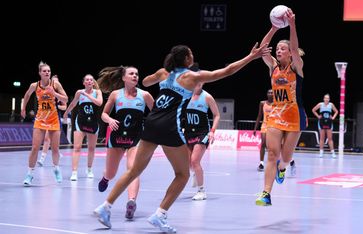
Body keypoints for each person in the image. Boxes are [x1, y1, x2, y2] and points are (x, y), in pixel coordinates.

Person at [93, 43, 270, 232]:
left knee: (133, 171)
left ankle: (105, 207)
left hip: (151, 123)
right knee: (183, 174)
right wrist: (251, 57)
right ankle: (160, 215)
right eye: (191, 54)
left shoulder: (163, 73)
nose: (192, 56)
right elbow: (227, 71)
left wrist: (160, 77)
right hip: (169, 127)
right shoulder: (191, 77)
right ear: (187, 59)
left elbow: (145, 82)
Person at [255, 7, 307, 206]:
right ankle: (266, 193)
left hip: (296, 115)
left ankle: (282, 168)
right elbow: (263, 48)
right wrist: (274, 27)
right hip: (276, 115)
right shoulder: (273, 66)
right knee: (272, 154)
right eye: (278, 48)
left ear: (290, 53)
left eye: (282, 48)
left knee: (285, 158)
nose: (279, 50)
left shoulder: (296, 66)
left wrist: (292, 25)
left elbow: (295, 49)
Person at [96, 66, 154, 220]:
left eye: (137, 73)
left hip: (136, 138)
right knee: (111, 173)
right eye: (131, 73)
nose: (135, 76)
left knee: (133, 170)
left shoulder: (145, 95)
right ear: (123, 78)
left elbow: (156, 114)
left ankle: (131, 202)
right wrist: (109, 120)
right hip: (117, 136)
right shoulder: (116, 95)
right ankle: (106, 178)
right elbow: (103, 114)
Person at [21, 61, 68, 186]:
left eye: (49, 71)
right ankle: (29, 174)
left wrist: (54, 93)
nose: (47, 72)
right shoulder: (34, 85)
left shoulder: (55, 84)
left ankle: (56, 169)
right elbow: (26, 95)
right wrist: (23, 108)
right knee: (35, 148)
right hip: (40, 120)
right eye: (44, 71)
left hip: (53, 120)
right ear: (40, 73)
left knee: (55, 149)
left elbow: (66, 99)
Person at [63, 74, 103, 181]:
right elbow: (73, 104)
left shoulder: (97, 92)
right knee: (77, 148)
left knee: (91, 148)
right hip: (80, 122)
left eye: (91, 80)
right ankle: (74, 172)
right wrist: (66, 113)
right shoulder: (79, 92)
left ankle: (89, 169)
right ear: (84, 83)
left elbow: (99, 103)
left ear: (93, 82)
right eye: (87, 80)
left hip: (93, 123)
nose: (89, 81)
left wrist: (87, 95)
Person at [184, 82, 220, 201]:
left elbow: (217, 115)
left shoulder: (207, 97)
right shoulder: (185, 96)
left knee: (195, 161)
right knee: (188, 163)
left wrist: (212, 131)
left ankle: (201, 191)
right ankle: (195, 172)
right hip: (188, 133)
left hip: (202, 133)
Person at [253, 89, 297, 176]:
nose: (270, 94)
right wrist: (255, 128)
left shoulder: (278, 104)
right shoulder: (262, 103)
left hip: (274, 126)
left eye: (272, 93)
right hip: (265, 125)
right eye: (268, 92)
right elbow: (259, 116)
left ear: (274, 95)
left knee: (279, 147)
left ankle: (291, 161)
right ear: (266, 94)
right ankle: (261, 163)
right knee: (263, 143)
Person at [37, 75, 67, 167]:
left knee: (50, 139)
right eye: (54, 81)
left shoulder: (60, 95)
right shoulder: (45, 92)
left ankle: (47, 157)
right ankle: (45, 158)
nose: (56, 83)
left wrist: (56, 107)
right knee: (47, 139)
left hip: (55, 119)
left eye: (57, 81)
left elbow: (65, 106)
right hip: (45, 118)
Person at [311, 93, 339, 158]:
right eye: (325, 98)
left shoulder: (331, 105)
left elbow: (336, 111)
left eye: (328, 98)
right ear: (323, 99)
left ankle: (332, 152)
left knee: (330, 138)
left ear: (329, 99)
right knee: (322, 138)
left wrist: (333, 117)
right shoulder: (320, 104)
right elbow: (313, 110)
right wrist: (318, 116)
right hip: (321, 122)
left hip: (329, 122)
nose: (326, 99)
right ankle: (321, 152)